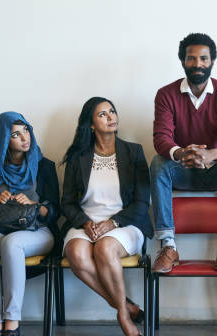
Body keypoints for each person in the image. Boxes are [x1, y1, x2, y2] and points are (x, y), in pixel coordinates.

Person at [151, 32, 217, 273]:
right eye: (191, 58)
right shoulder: (166, 94)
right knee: (157, 163)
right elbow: (161, 137)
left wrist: (212, 155)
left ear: (212, 61)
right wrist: (182, 153)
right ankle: (168, 247)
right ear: (182, 61)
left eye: (203, 58)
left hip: (216, 171)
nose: (198, 64)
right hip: (182, 170)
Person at [61, 97, 152, 336]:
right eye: (102, 114)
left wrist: (113, 222)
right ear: (90, 124)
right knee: (76, 254)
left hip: (126, 223)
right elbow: (67, 202)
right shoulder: (77, 157)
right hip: (86, 223)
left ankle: (123, 316)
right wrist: (84, 222)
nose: (111, 117)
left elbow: (142, 201)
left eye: (112, 112)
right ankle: (124, 305)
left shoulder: (134, 152)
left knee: (104, 248)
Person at [0, 112, 59, 336]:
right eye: (15, 134)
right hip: (1, 228)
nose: (25, 137)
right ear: (2, 139)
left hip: (39, 231)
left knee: (12, 243)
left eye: (26, 130)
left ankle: (12, 323)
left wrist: (34, 204)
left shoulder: (44, 166)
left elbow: (54, 211)